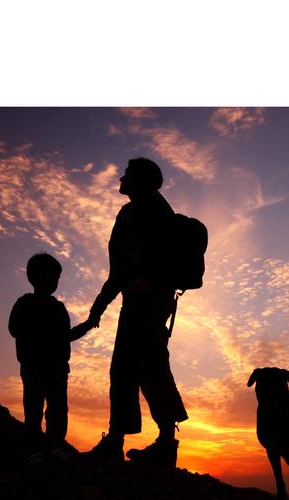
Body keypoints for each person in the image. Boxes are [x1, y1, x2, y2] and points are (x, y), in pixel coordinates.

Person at [85, 157, 188, 468]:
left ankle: (165, 444)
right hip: (137, 300)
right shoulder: (134, 210)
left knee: (150, 368)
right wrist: (101, 304)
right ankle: (118, 439)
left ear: (140, 179)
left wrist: (148, 284)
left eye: (127, 174)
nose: (121, 177)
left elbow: (131, 265)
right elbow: (120, 269)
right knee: (125, 370)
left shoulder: (149, 208)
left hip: (148, 300)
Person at [9, 252, 93, 464]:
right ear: (34, 277)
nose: (54, 282)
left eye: (56, 278)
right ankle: (34, 450)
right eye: (50, 276)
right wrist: (40, 332)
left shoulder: (58, 308)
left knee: (57, 410)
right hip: (33, 367)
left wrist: (88, 325)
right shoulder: (24, 303)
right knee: (34, 409)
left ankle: (55, 447)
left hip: (57, 369)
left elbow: (67, 335)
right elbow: (14, 329)